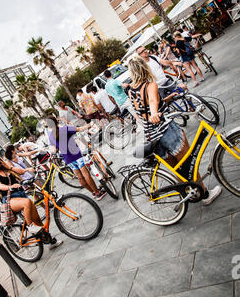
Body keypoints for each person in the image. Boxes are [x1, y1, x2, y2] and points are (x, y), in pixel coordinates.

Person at [127, 56, 222, 206]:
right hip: (165, 130)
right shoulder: (150, 85)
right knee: (188, 162)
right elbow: (152, 101)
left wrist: (169, 98)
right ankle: (205, 194)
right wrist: (153, 113)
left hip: (151, 135)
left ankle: (190, 192)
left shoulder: (131, 90)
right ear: (144, 68)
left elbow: (150, 103)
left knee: (176, 168)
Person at [0, 153, 63, 249]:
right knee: (27, 203)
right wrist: (10, 187)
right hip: (9, 200)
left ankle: (50, 241)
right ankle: (30, 226)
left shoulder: (6, 169)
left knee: (38, 220)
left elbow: (21, 172)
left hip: (21, 194)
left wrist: (9, 167)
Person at [44, 115, 106, 201]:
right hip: (76, 155)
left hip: (68, 159)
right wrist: (89, 124)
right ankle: (98, 193)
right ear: (56, 121)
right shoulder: (64, 129)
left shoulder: (51, 137)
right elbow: (79, 129)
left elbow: (54, 150)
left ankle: (93, 192)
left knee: (80, 177)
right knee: (86, 174)